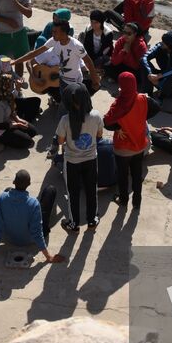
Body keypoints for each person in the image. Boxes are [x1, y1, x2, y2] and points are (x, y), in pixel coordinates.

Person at [0, 170, 64, 264]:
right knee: (50, 189)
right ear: (29, 184)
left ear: (14, 182)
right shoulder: (33, 203)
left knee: (7, 190)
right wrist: (48, 257)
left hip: (10, 237)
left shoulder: (2, 198)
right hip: (30, 239)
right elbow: (37, 232)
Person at [56, 84, 102, 232]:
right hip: (90, 159)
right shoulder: (96, 115)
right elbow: (99, 135)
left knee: (73, 193)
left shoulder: (65, 120)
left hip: (72, 162)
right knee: (91, 190)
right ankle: (92, 220)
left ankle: (74, 224)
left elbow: (61, 141)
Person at [104, 72, 150, 213]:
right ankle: (137, 202)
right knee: (137, 174)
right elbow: (155, 108)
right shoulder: (143, 99)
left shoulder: (118, 104)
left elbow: (106, 122)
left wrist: (118, 127)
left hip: (123, 148)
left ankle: (123, 200)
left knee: (123, 176)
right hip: (139, 144)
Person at [14, 20, 95, 92]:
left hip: (73, 83)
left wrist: (94, 76)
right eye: (52, 31)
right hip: (58, 85)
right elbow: (32, 57)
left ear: (63, 33)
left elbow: (86, 63)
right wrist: (33, 76)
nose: (52, 34)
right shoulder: (52, 46)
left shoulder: (76, 47)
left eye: (55, 32)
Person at [144, 30, 172, 100]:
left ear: (170, 45)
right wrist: (150, 74)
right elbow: (144, 58)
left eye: (164, 42)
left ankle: (161, 97)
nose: (161, 43)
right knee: (143, 63)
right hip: (163, 75)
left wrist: (158, 76)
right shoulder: (160, 47)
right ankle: (148, 91)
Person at [80, 10, 115, 76]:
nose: (93, 25)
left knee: (100, 61)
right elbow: (87, 45)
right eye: (92, 22)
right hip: (90, 54)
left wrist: (93, 60)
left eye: (96, 22)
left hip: (102, 55)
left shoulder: (108, 33)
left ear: (101, 22)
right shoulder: (89, 29)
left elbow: (106, 49)